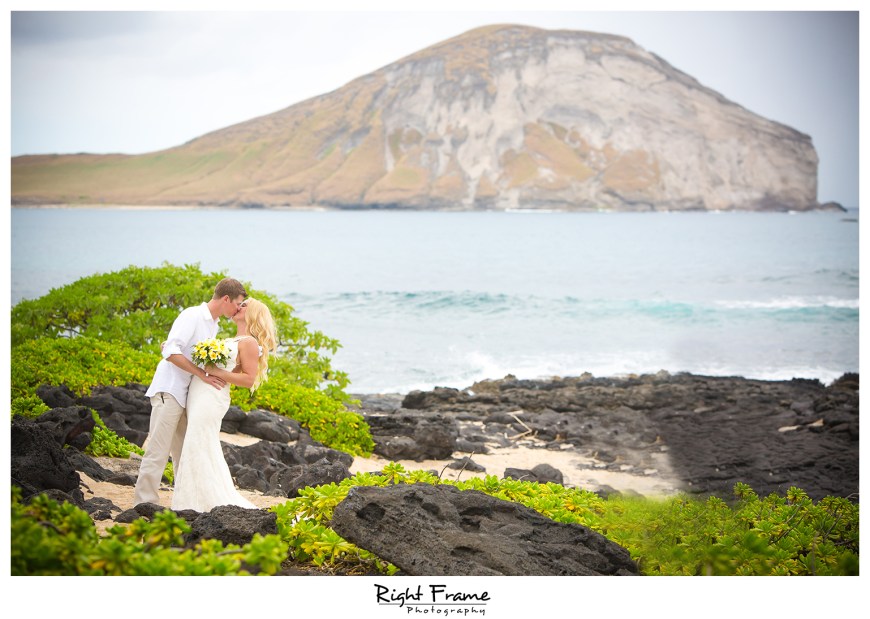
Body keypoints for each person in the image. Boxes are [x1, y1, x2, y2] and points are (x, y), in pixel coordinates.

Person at [133, 278, 247, 506]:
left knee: (185, 452)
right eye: (237, 303)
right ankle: (144, 504)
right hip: (170, 390)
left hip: (187, 396)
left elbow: (175, 348)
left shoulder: (213, 325)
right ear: (226, 299)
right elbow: (171, 352)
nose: (238, 309)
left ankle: (184, 503)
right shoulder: (193, 315)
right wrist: (202, 374)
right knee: (158, 450)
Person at [170, 297, 278, 512]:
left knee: (198, 442)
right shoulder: (233, 339)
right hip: (199, 393)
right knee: (197, 443)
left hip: (212, 396)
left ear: (253, 314)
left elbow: (248, 380)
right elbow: (230, 370)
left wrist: (217, 372)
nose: (239, 306)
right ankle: (193, 499)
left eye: (244, 305)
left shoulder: (249, 342)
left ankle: (196, 503)